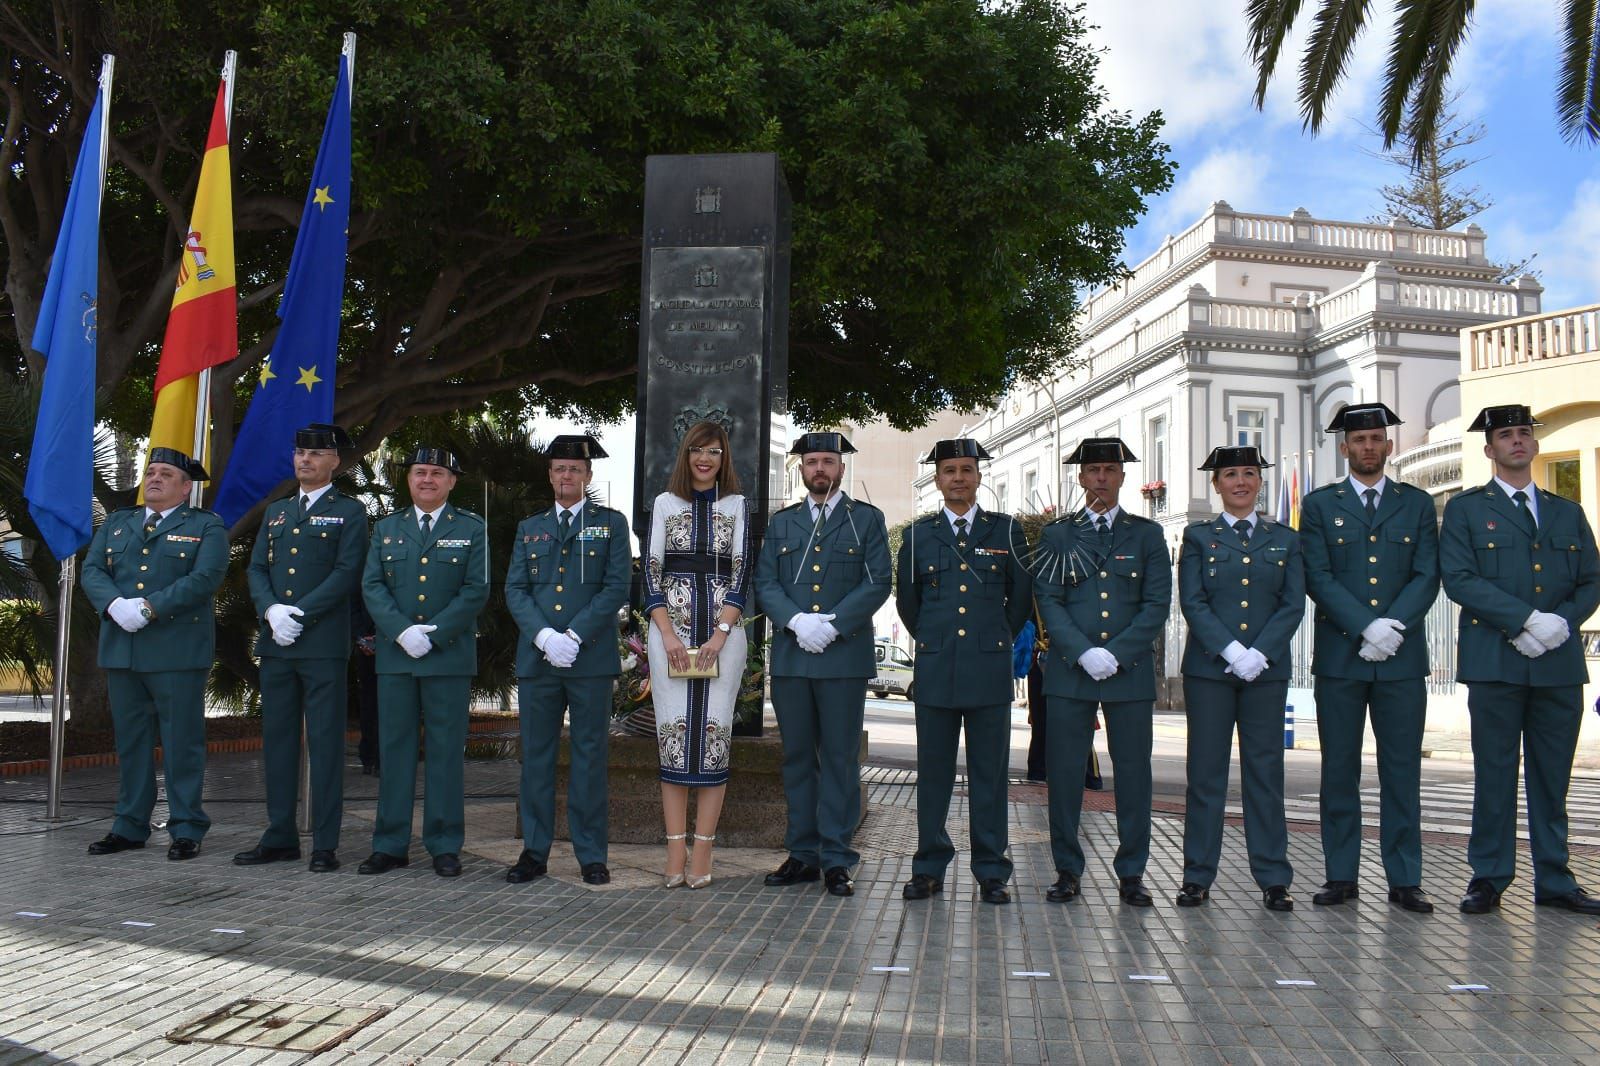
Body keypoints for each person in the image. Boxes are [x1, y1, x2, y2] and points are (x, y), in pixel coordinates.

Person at [1440, 404, 1600, 914]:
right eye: (1506, 435)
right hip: (1496, 661)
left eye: (1524, 434)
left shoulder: (1566, 511)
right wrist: (1528, 620)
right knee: (1495, 773)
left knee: (1553, 777)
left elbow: (1591, 580)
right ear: (1490, 449)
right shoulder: (1466, 510)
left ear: (1534, 445)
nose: (1517, 442)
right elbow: (1460, 579)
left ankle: (1554, 878)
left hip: (1557, 663)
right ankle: (1489, 876)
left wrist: (1561, 623)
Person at [1299, 403, 1439, 914]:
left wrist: (1392, 627)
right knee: (1339, 770)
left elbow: (1427, 574)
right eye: (1359, 440)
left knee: (1401, 771)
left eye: (1376, 438)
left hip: (1401, 659)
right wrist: (1365, 626)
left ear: (1389, 445)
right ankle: (1341, 875)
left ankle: (1405, 879)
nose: (1368, 447)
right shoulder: (1319, 505)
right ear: (1345, 448)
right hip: (1341, 657)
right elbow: (1318, 575)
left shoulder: (1417, 504)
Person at [753, 431, 891, 898]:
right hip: (793, 657)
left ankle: (836, 858)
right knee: (796, 759)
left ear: (841, 468)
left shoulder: (866, 520)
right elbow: (766, 581)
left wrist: (832, 627)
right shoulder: (783, 523)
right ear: (801, 469)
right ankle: (802, 854)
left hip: (843, 656)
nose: (820, 469)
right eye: (811, 461)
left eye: (828, 461)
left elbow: (877, 583)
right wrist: (795, 621)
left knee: (838, 758)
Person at [1033, 437, 1170, 907]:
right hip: (1072, 673)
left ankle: (1132, 872)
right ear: (1080, 477)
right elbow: (1048, 600)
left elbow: (1157, 604)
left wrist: (1119, 653)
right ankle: (1067, 870)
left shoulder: (1147, 535)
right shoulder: (1058, 535)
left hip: (1127, 675)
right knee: (1065, 775)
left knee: (1134, 775)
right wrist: (1082, 651)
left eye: (1110, 471)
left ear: (1123, 477)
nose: (1101, 480)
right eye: (1092, 471)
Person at [895, 439, 1033, 905]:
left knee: (989, 776)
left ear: (978, 477)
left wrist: (994, 637)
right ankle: (929, 867)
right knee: (932, 774)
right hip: (936, 669)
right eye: (949, 470)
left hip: (988, 669)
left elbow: (1019, 600)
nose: (958, 477)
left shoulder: (1006, 531)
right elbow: (908, 603)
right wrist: (934, 639)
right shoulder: (917, 536)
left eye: (966, 469)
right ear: (938, 480)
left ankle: (992, 870)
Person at [80, 448, 227, 860]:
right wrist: (113, 605)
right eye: (151, 471)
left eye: (166, 474)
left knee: (182, 744)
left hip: (176, 651)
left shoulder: (205, 526)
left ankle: (186, 827)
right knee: (131, 743)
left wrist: (147, 607)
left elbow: (205, 578)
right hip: (123, 650)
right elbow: (93, 571)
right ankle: (129, 825)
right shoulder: (117, 522)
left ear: (185, 486)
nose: (155, 478)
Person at [235, 424, 368, 873]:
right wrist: (272, 611)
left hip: (322, 646)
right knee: (277, 743)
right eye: (299, 453)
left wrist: (299, 614)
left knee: (327, 744)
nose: (305, 460)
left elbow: (347, 572)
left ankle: (326, 843)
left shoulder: (350, 512)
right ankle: (280, 836)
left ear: (335, 461)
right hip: (277, 645)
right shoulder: (276, 512)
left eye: (316, 454)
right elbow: (256, 570)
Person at [1175, 445, 1304, 911]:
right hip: (1210, 671)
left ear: (1260, 481)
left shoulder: (1285, 538)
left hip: (1265, 674)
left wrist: (1260, 654)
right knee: (1205, 776)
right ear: (1217, 484)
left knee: (1265, 775)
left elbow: (1292, 603)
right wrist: (1230, 650)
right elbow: (1193, 601)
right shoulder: (1197, 537)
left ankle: (1273, 877)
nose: (1240, 482)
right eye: (1230, 474)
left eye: (1249, 473)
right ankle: (1197, 876)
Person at [504, 434, 632, 886]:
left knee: (590, 758)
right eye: (559, 469)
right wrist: (544, 636)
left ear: (588, 476)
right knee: (536, 758)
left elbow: (616, 586)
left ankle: (591, 854)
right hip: (540, 661)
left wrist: (574, 635)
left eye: (574, 469)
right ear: (550, 475)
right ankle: (533, 852)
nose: (566, 476)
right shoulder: (530, 527)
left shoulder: (612, 524)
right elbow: (515, 589)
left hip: (590, 659)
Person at [357, 447, 488, 878]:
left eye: (436, 473)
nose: (427, 479)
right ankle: (390, 844)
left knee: (446, 754)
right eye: (419, 472)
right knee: (393, 752)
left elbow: (476, 590)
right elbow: (372, 586)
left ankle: (444, 843)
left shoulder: (472, 528)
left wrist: (433, 633)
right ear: (408, 479)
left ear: (452, 481)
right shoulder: (387, 528)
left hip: (447, 657)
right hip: (397, 658)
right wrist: (401, 632)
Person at [642, 422, 753, 889]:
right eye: (697, 451)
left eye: (714, 451)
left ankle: (703, 850)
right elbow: (651, 570)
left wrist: (721, 633)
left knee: (713, 739)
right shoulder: (665, 505)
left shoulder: (738, 506)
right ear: (685, 456)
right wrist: (667, 634)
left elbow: (743, 571)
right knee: (672, 738)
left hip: (723, 638)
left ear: (724, 458)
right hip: (669, 634)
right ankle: (674, 851)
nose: (705, 459)